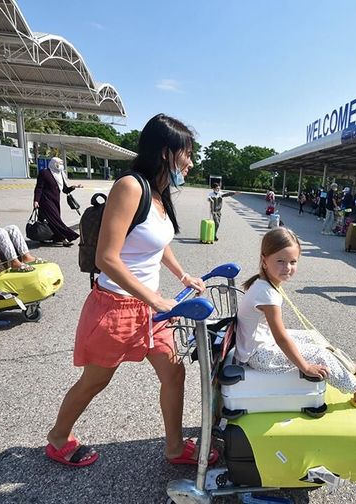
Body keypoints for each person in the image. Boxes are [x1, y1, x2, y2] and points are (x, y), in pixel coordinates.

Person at [45, 113, 212, 467]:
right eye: (187, 153)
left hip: (150, 310)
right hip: (116, 306)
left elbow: (157, 241)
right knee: (95, 381)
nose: (191, 162)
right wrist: (154, 298)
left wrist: (182, 276)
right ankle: (58, 438)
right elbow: (107, 258)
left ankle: (174, 447)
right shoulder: (130, 187)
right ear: (166, 151)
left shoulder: (158, 193)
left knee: (174, 372)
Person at [238, 227, 356, 408]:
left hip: (258, 343)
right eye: (280, 261)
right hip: (258, 356)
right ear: (264, 260)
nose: (287, 268)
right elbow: (280, 338)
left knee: (311, 336)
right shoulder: (266, 294)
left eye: (292, 261)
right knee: (319, 353)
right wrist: (306, 367)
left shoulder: (264, 282)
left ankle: (348, 367)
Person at [33, 157, 82, 247]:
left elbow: (65, 190)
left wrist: (73, 187)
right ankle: (66, 238)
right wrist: (36, 200)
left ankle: (47, 237)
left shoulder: (60, 175)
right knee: (56, 220)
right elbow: (39, 187)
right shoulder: (44, 173)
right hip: (45, 200)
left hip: (55, 201)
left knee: (48, 220)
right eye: (59, 163)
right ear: (53, 163)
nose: (61, 166)